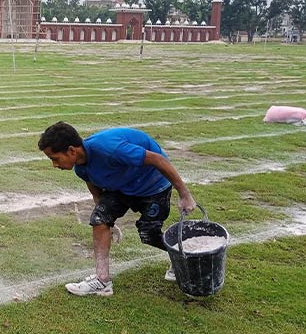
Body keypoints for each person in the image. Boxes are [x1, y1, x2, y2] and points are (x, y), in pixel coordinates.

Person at [38, 122, 196, 296]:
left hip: (153, 184)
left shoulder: (110, 149)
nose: (54, 165)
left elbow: (158, 160)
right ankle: (102, 280)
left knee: (148, 233)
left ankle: (183, 257)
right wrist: (107, 221)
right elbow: (96, 192)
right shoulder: (81, 169)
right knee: (99, 219)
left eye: (55, 158)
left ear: (71, 151)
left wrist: (184, 194)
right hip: (123, 187)